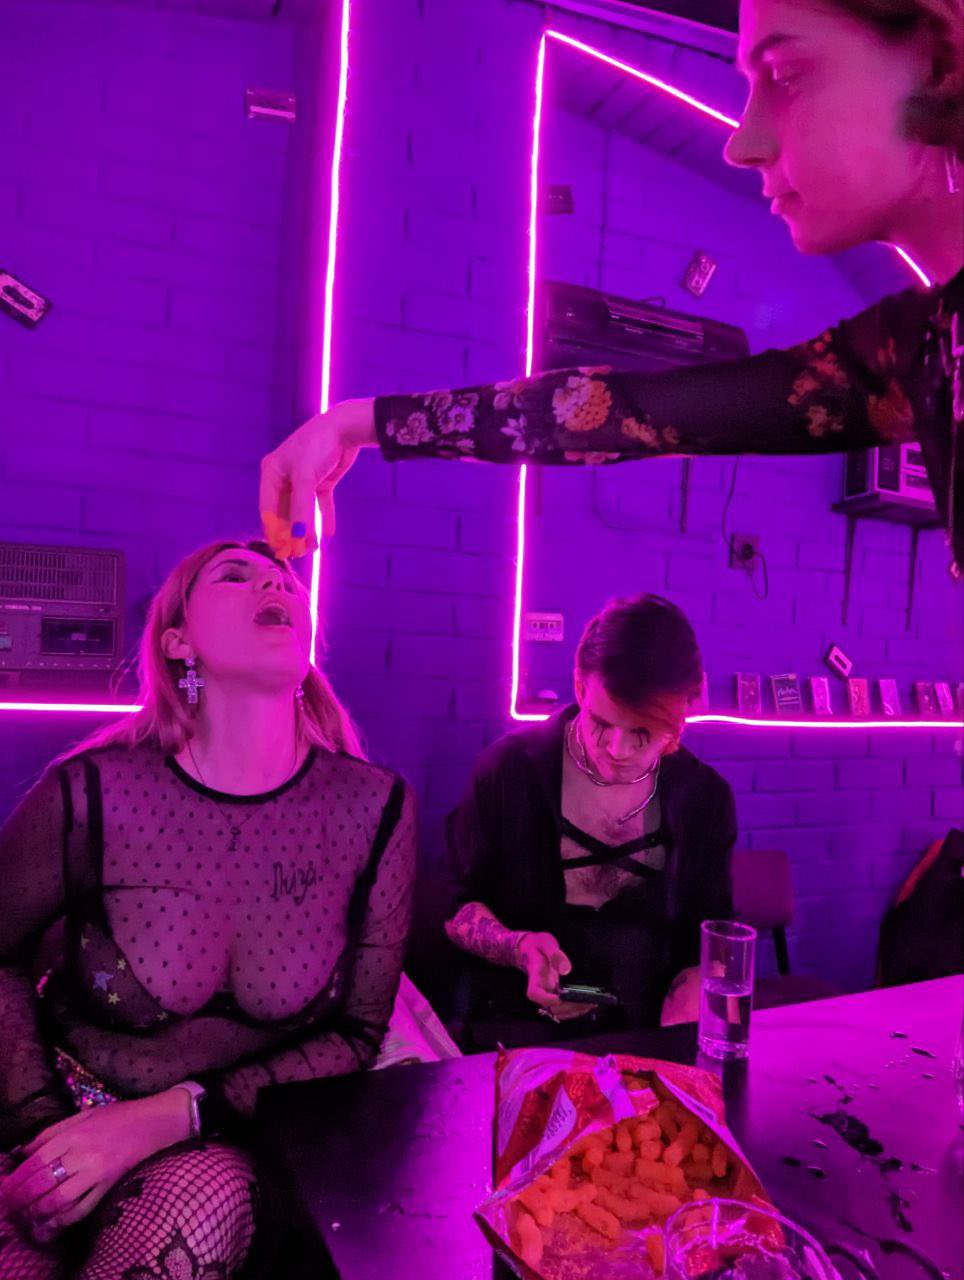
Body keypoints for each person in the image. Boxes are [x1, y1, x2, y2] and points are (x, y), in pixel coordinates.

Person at [259, 0, 964, 576]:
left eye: (785, 74)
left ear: (939, 59)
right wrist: (355, 423)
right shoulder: (919, 345)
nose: (741, 142)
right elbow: (623, 411)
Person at [0, 540, 416, 1280]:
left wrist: (173, 1114)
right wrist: (44, 1128)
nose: (273, 583)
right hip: (65, 1113)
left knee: (199, 1196)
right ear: (177, 641)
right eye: (235, 574)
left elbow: (357, 1032)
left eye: (284, 579)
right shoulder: (92, 792)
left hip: (239, 1138)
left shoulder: (375, 807)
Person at [443, 595, 736, 1050]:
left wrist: (696, 990)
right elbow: (458, 911)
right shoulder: (509, 771)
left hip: (647, 1037)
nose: (617, 750)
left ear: (683, 715)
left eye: (643, 733)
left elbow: (713, 932)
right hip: (517, 1030)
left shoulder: (704, 798)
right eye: (601, 723)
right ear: (580, 687)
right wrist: (518, 948)